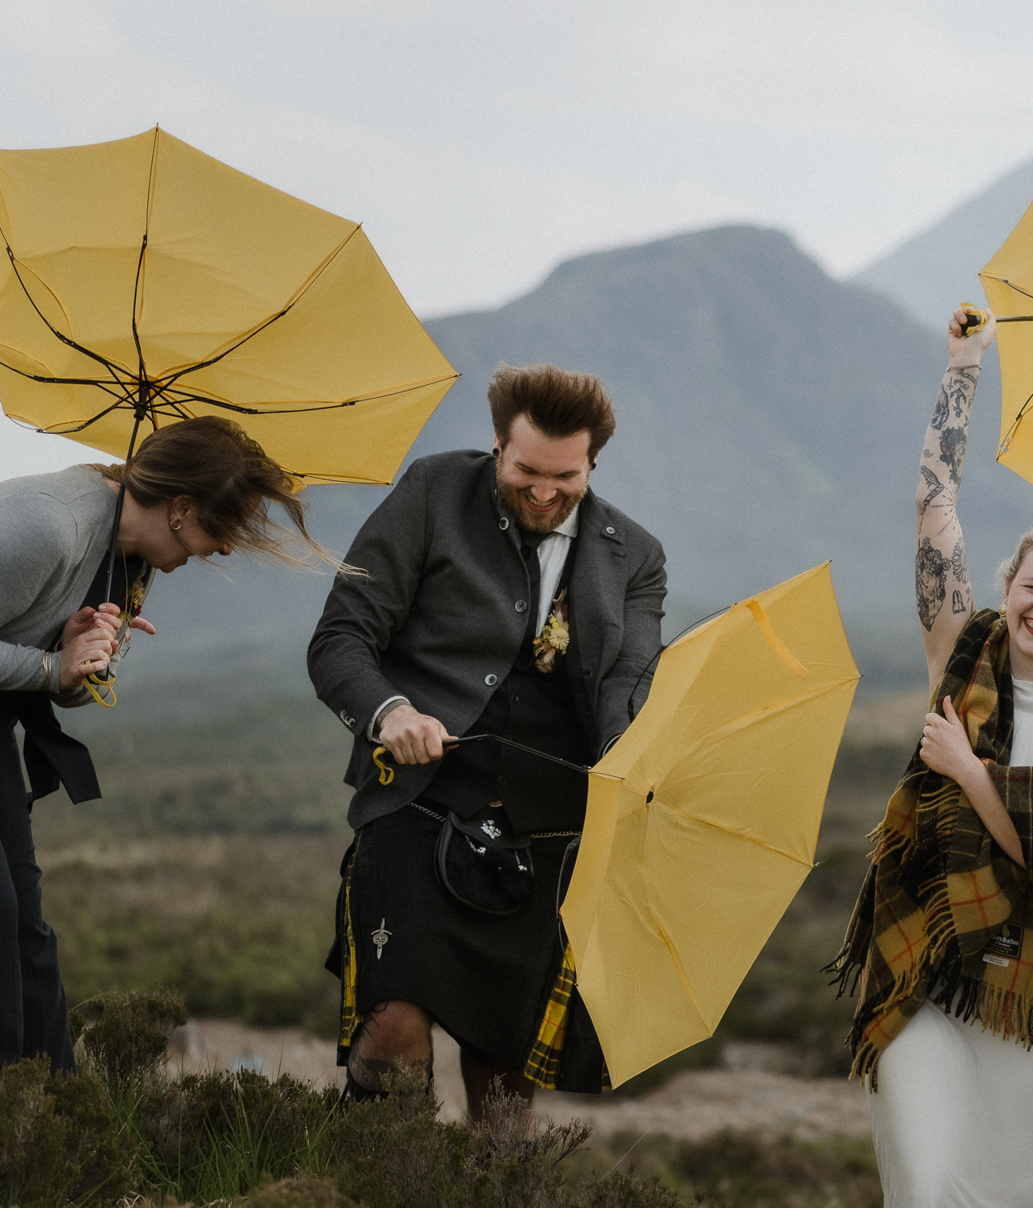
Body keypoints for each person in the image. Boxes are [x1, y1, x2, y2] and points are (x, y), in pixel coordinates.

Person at [830, 308, 1033, 1207]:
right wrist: (963, 368)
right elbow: (934, 501)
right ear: (1008, 587)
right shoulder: (960, 656)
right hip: (929, 963)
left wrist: (971, 774)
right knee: (930, 1184)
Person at [309, 363, 666, 1120]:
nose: (543, 492)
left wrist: (630, 763)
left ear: (593, 463)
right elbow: (341, 638)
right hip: (418, 802)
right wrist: (391, 712)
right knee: (393, 1026)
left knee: (505, 1089)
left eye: (564, 477)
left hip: (548, 834)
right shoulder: (433, 493)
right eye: (526, 471)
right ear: (497, 446)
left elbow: (624, 685)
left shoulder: (635, 555)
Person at [0, 415, 323, 1067]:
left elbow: (55, 679)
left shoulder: (123, 560)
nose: (227, 549)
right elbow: (36, 669)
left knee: (26, 928)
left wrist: (77, 660)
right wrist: (47, 668)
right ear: (180, 508)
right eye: (223, 527)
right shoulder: (47, 524)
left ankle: (48, 1120)